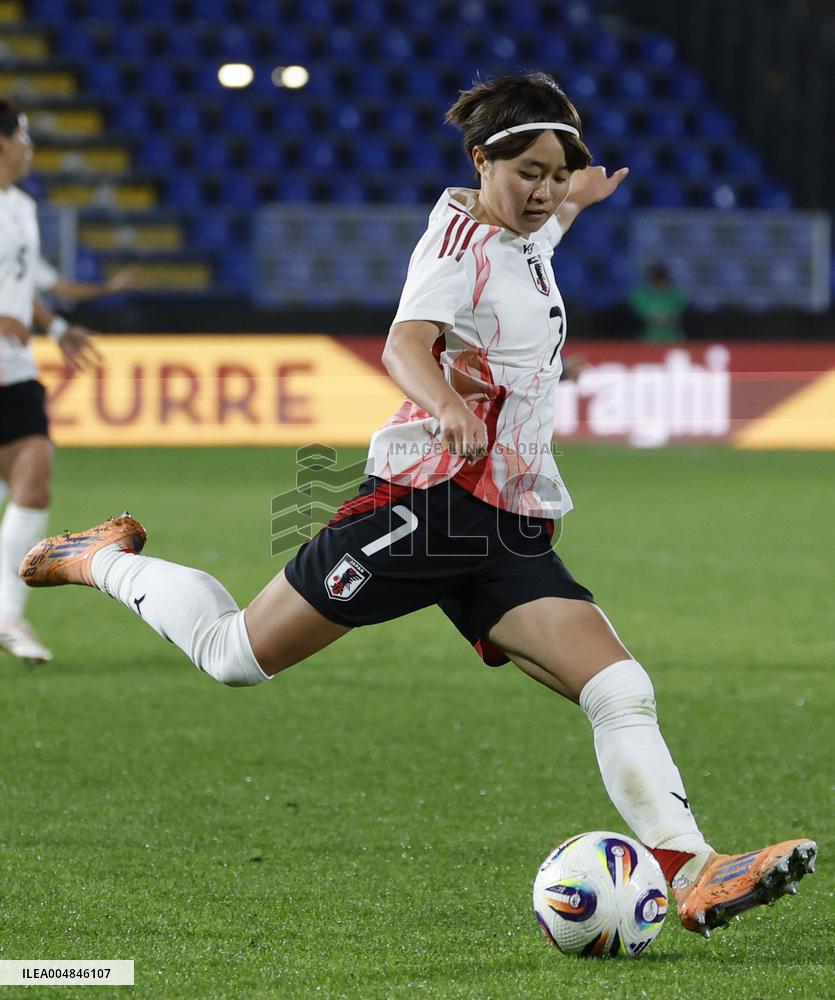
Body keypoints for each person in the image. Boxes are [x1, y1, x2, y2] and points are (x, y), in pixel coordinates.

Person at [19, 74, 815, 938]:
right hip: (423, 507)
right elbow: (404, 344)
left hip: (504, 521)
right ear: (480, 162)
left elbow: (547, 225)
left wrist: (578, 196)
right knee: (234, 655)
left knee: (619, 687)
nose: (544, 191)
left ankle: (695, 870)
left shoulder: (526, 233)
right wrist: (444, 404)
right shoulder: (456, 245)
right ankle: (98, 559)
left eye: (556, 174)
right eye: (529, 173)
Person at [0, 98, 115, 664]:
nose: (31, 149)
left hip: (15, 367)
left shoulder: (21, 207)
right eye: (24, 137)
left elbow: (20, 283)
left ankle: (7, 614)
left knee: (34, 475)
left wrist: (57, 326)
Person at [629, 262, 688, 342]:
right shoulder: (639, 296)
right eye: (656, 279)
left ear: (666, 278)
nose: (659, 282)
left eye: (661, 278)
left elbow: (678, 317)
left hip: (673, 338)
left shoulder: (677, 295)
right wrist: (662, 319)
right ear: (649, 279)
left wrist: (661, 319)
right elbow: (643, 318)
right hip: (647, 338)